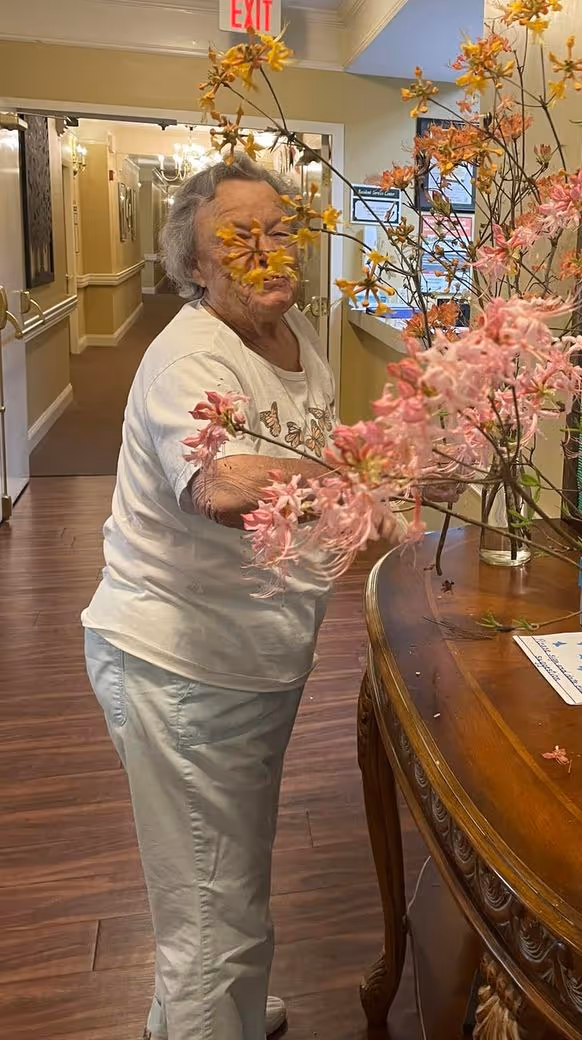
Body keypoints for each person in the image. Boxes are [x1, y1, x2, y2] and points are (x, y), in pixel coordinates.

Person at [82, 156, 368, 1040]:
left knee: (218, 872)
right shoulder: (189, 356)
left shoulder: (293, 332)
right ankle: (214, 1006)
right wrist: (365, 480)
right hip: (184, 666)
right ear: (195, 264)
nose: (265, 251)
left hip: (249, 658)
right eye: (234, 238)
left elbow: (304, 450)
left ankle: (206, 1007)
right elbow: (223, 482)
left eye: (279, 230)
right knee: (212, 900)